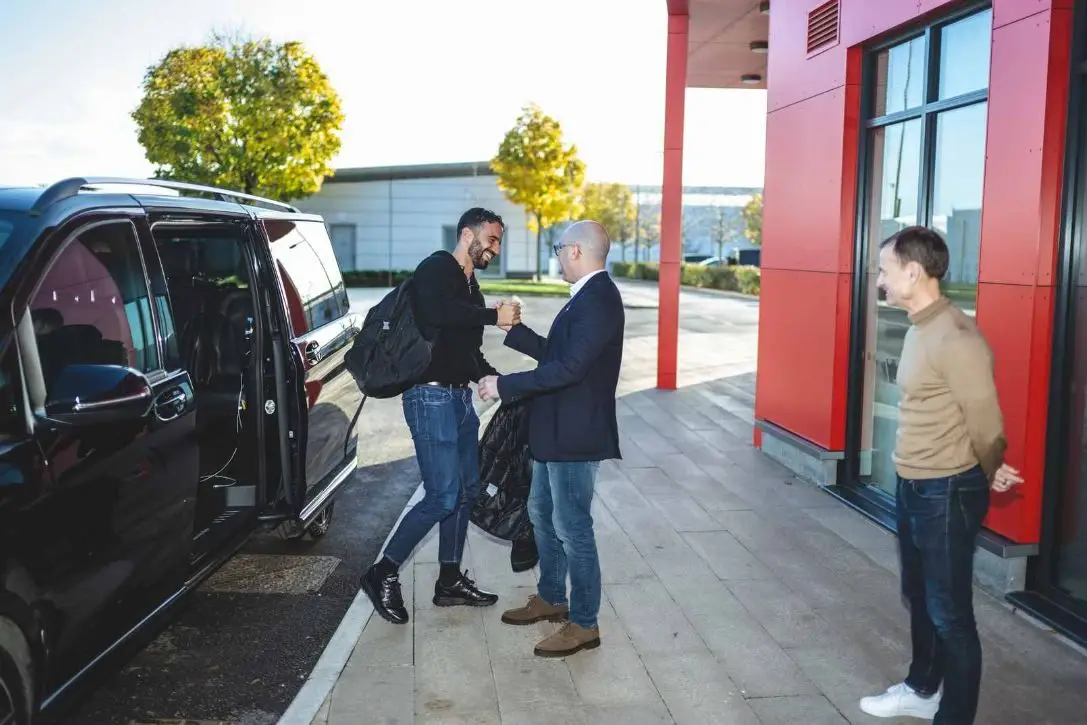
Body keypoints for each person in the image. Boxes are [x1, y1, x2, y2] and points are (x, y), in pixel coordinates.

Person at [859, 226, 1023, 724]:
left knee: (951, 613)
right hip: (914, 486)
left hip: (946, 491)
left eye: (886, 271)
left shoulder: (956, 338)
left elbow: (987, 422)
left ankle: (953, 716)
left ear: (913, 271)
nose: (881, 281)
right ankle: (922, 688)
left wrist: (990, 467)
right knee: (920, 595)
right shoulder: (918, 326)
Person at [360, 207, 520, 625]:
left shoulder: (472, 288)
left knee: (466, 490)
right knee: (441, 495)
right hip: (428, 399)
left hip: (459, 401)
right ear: (468, 234)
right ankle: (383, 571)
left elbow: (465, 352)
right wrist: (491, 316)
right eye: (491, 238)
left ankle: (449, 580)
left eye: (499, 241)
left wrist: (498, 381)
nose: (495, 248)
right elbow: (435, 314)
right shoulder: (437, 268)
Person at [478, 220, 624, 658]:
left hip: (575, 436)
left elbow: (568, 371)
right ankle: (552, 597)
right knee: (542, 513)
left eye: (560, 248)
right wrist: (516, 334)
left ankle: (583, 623)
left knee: (573, 528)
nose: (557, 255)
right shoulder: (585, 298)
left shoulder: (598, 300)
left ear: (576, 251)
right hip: (555, 430)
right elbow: (561, 357)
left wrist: (504, 386)